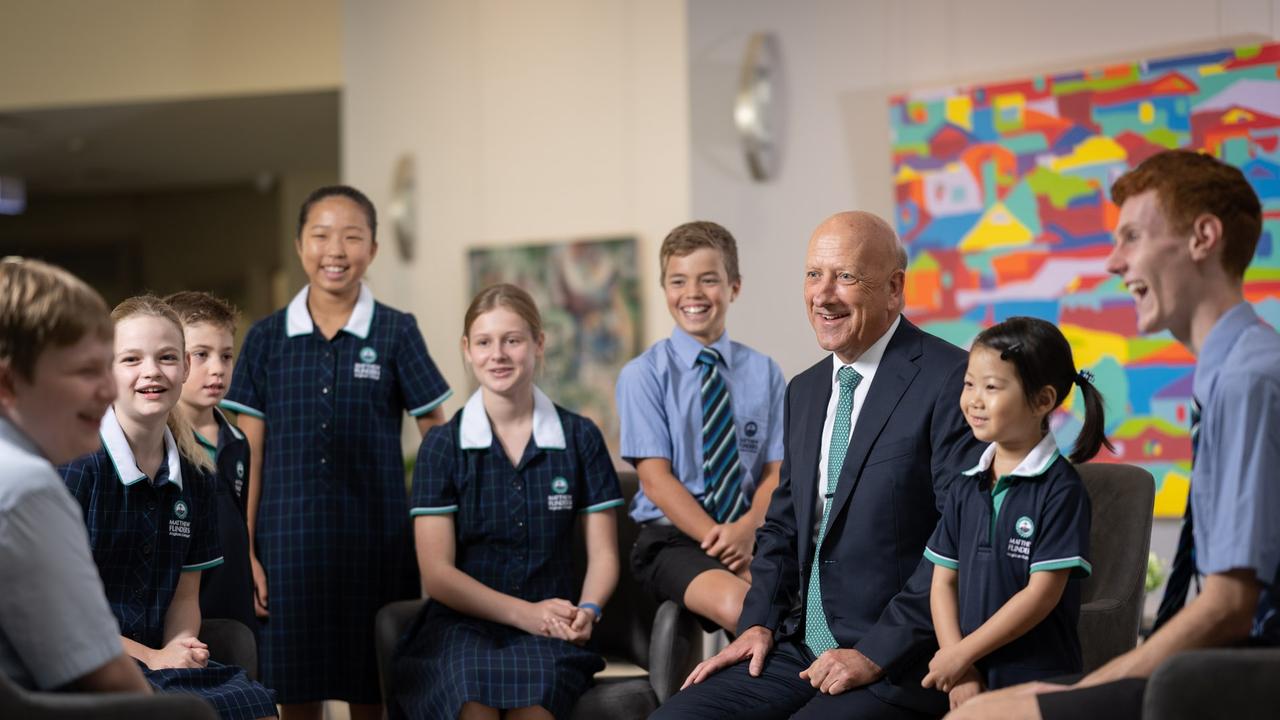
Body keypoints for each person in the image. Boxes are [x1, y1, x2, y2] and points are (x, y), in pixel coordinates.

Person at [946, 151, 1280, 720]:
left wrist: (1086, 691)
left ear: (1203, 237)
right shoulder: (1231, 372)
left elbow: (1229, 606)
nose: (1112, 262)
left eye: (1131, 236)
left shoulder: (1250, 378)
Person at [657, 211, 983, 719]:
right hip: (795, 649)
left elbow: (959, 537)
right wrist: (757, 624)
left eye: (846, 277)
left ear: (894, 289)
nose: (823, 295)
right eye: (814, 275)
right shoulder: (805, 390)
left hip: (896, 660)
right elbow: (783, 524)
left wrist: (875, 653)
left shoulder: (950, 380)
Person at [222, 185, 452, 719]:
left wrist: (436, 534)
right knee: (291, 693)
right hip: (284, 549)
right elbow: (249, 451)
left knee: (372, 690)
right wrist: (248, 551)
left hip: (377, 544)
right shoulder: (266, 338)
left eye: (353, 237)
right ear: (300, 245)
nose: (336, 250)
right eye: (321, 236)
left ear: (373, 249)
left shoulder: (397, 331)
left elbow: (436, 436)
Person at [391, 284, 623, 719]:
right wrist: (525, 614)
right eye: (484, 342)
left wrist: (588, 609)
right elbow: (437, 575)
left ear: (538, 343)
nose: (497, 354)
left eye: (512, 340)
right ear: (467, 349)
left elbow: (605, 554)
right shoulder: (442, 446)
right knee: (470, 700)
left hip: (552, 623)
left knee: (533, 706)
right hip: (460, 626)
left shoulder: (580, 437)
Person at [59, 295, 276, 720]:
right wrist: (151, 656)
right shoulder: (76, 465)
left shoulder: (196, 476)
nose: (151, 371)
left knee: (258, 705)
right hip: (80, 665)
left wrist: (178, 645)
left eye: (166, 358)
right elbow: (60, 611)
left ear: (184, 370)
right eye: (131, 359)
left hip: (158, 664)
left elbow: (185, 597)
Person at [921, 317, 1109, 710]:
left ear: (1042, 400)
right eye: (969, 384)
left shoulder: (1061, 490)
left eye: (991, 387)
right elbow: (942, 584)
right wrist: (961, 665)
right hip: (969, 679)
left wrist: (960, 655)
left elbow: (1041, 596)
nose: (974, 399)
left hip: (1036, 686)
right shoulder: (965, 484)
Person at [618, 221, 786, 631]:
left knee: (799, 606)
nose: (692, 294)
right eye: (678, 281)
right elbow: (656, 481)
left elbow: (776, 473)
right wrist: (721, 540)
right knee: (745, 607)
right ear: (665, 289)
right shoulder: (644, 374)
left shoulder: (764, 372)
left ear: (734, 287)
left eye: (708, 280)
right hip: (673, 538)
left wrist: (746, 530)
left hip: (751, 532)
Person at [0, 257, 151, 695]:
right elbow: (107, 678)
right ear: (8, 383)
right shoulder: (26, 488)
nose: (110, 390)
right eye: (87, 371)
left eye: (109, 367)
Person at [165, 291, 257, 642]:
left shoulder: (237, 441)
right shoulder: (161, 443)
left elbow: (239, 522)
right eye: (201, 355)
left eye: (226, 355)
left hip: (234, 598)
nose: (217, 368)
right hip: (183, 608)